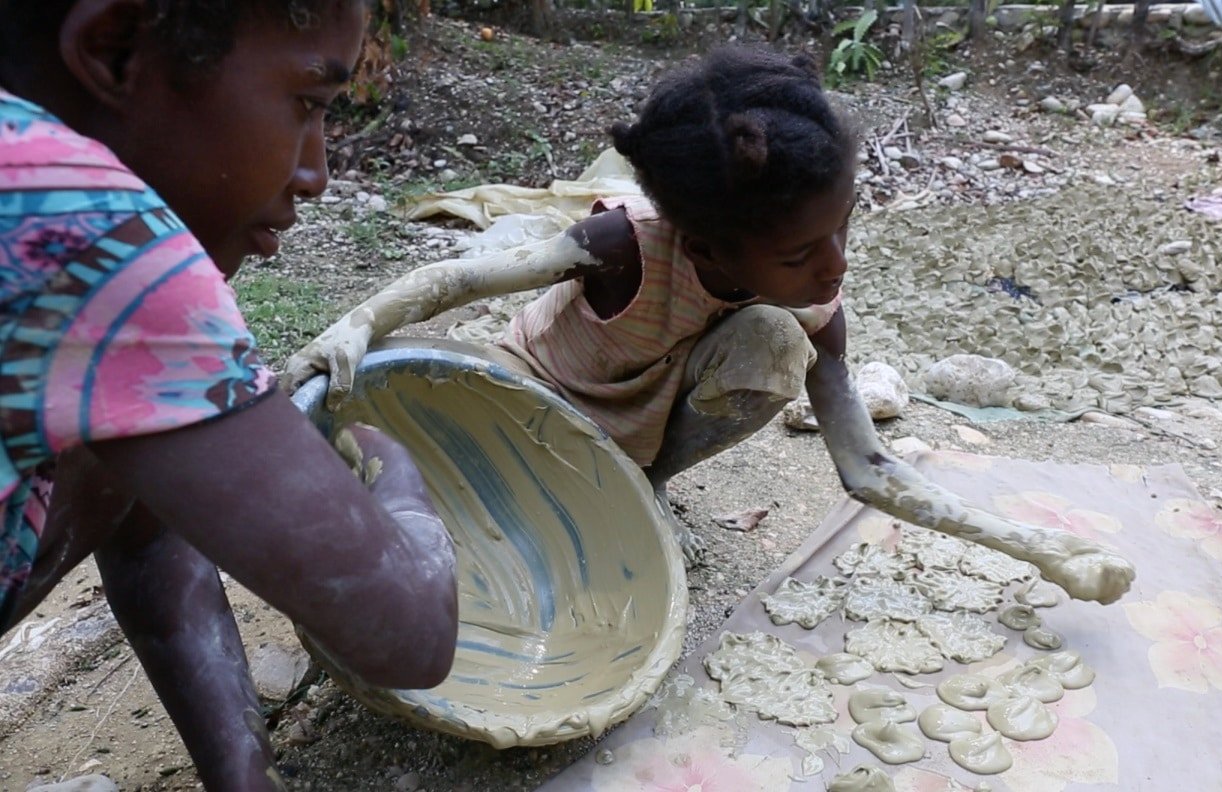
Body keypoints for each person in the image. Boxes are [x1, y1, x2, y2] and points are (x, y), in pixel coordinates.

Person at [282, 44, 1136, 607]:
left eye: (844, 227)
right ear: (702, 241)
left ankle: (641, 488)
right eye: (802, 250)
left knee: (773, 345)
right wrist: (354, 327)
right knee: (433, 513)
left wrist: (1036, 547)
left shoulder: (811, 310)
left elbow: (868, 471)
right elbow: (462, 277)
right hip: (526, 404)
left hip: (629, 442)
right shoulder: (623, 245)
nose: (834, 264)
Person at [0, 1, 458, 789]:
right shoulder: (75, 216)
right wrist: (404, 489)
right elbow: (407, 634)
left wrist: (241, 774)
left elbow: (148, 530)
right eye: (307, 104)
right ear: (113, 50)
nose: (315, 173)